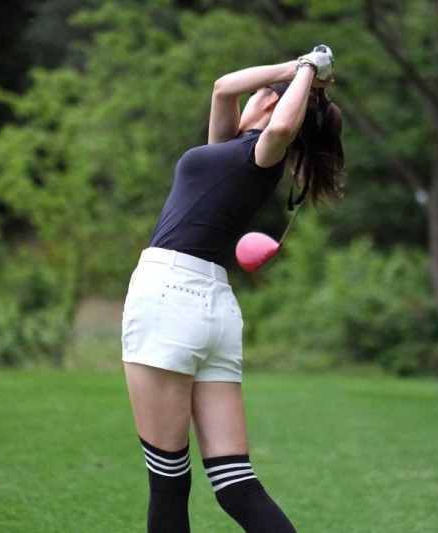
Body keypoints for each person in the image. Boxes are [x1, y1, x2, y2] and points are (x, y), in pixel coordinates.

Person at [121, 45, 346, 532]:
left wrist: (306, 68)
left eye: (261, 92)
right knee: (236, 484)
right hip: (213, 308)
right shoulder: (232, 150)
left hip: (168, 294)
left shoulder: (262, 151)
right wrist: (297, 68)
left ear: (270, 101)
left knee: (168, 481)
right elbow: (223, 88)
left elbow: (279, 127)